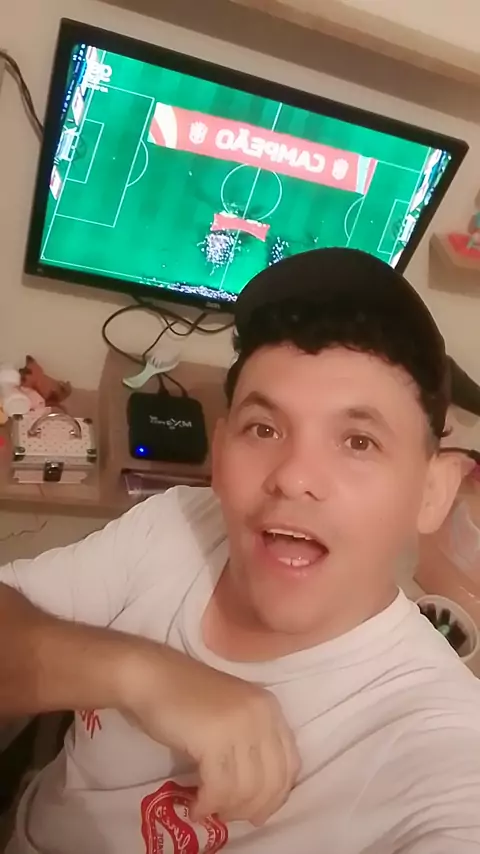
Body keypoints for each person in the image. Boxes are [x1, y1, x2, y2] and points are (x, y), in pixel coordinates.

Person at [1, 248, 480, 854]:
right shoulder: (177, 521)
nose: (293, 476)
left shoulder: (441, 738)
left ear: (433, 492)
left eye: (358, 441)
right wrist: (142, 676)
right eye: (264, 429)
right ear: (220, 450)